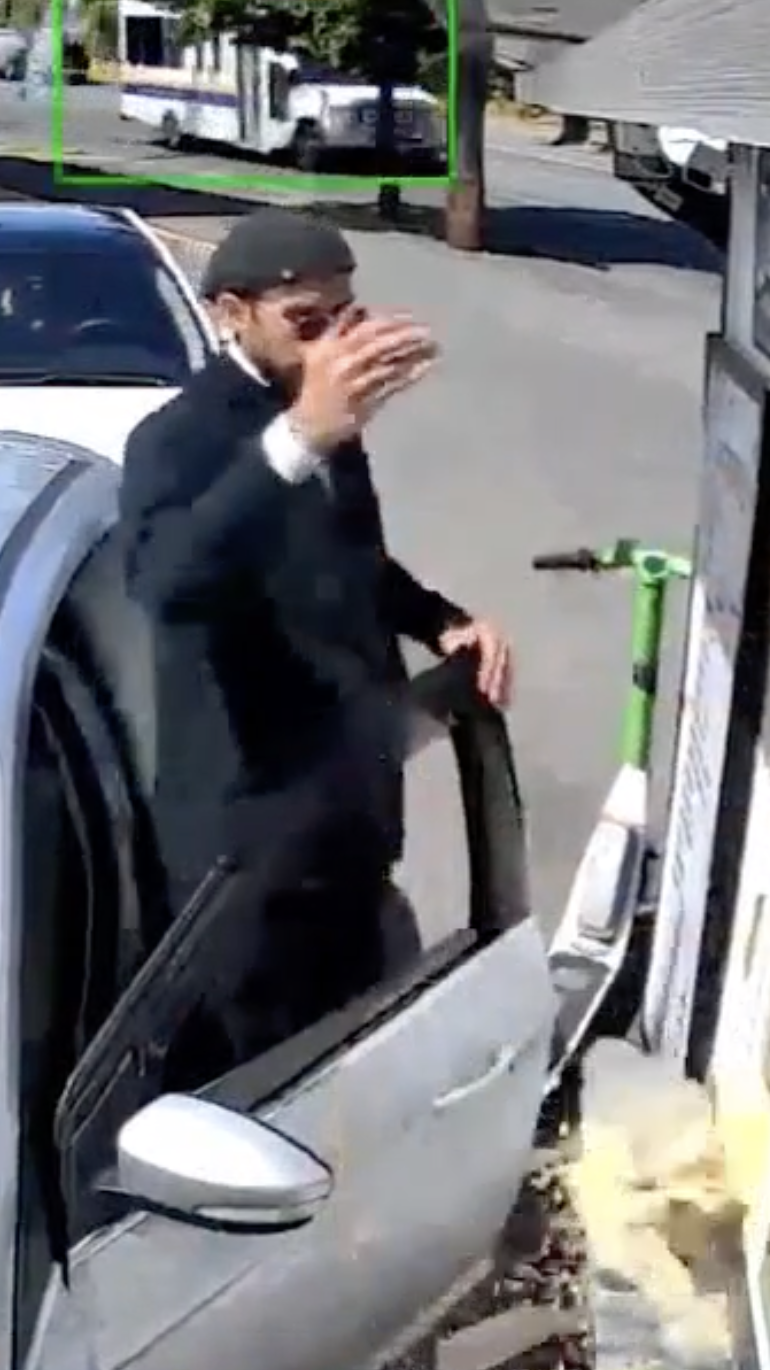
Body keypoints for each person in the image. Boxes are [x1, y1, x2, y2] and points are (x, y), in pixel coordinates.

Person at [118, 209, 513, 1056]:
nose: (332, 345)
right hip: (251, 857)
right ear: (232, 313)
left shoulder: (322, 415)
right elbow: (167, 584)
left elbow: (347, 558)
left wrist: (440, 621)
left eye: (345, 318)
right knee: (268, 1066)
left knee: (354, 1038)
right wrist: (296, 442)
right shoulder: (180, 440)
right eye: (306, 323)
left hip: (348, 818)